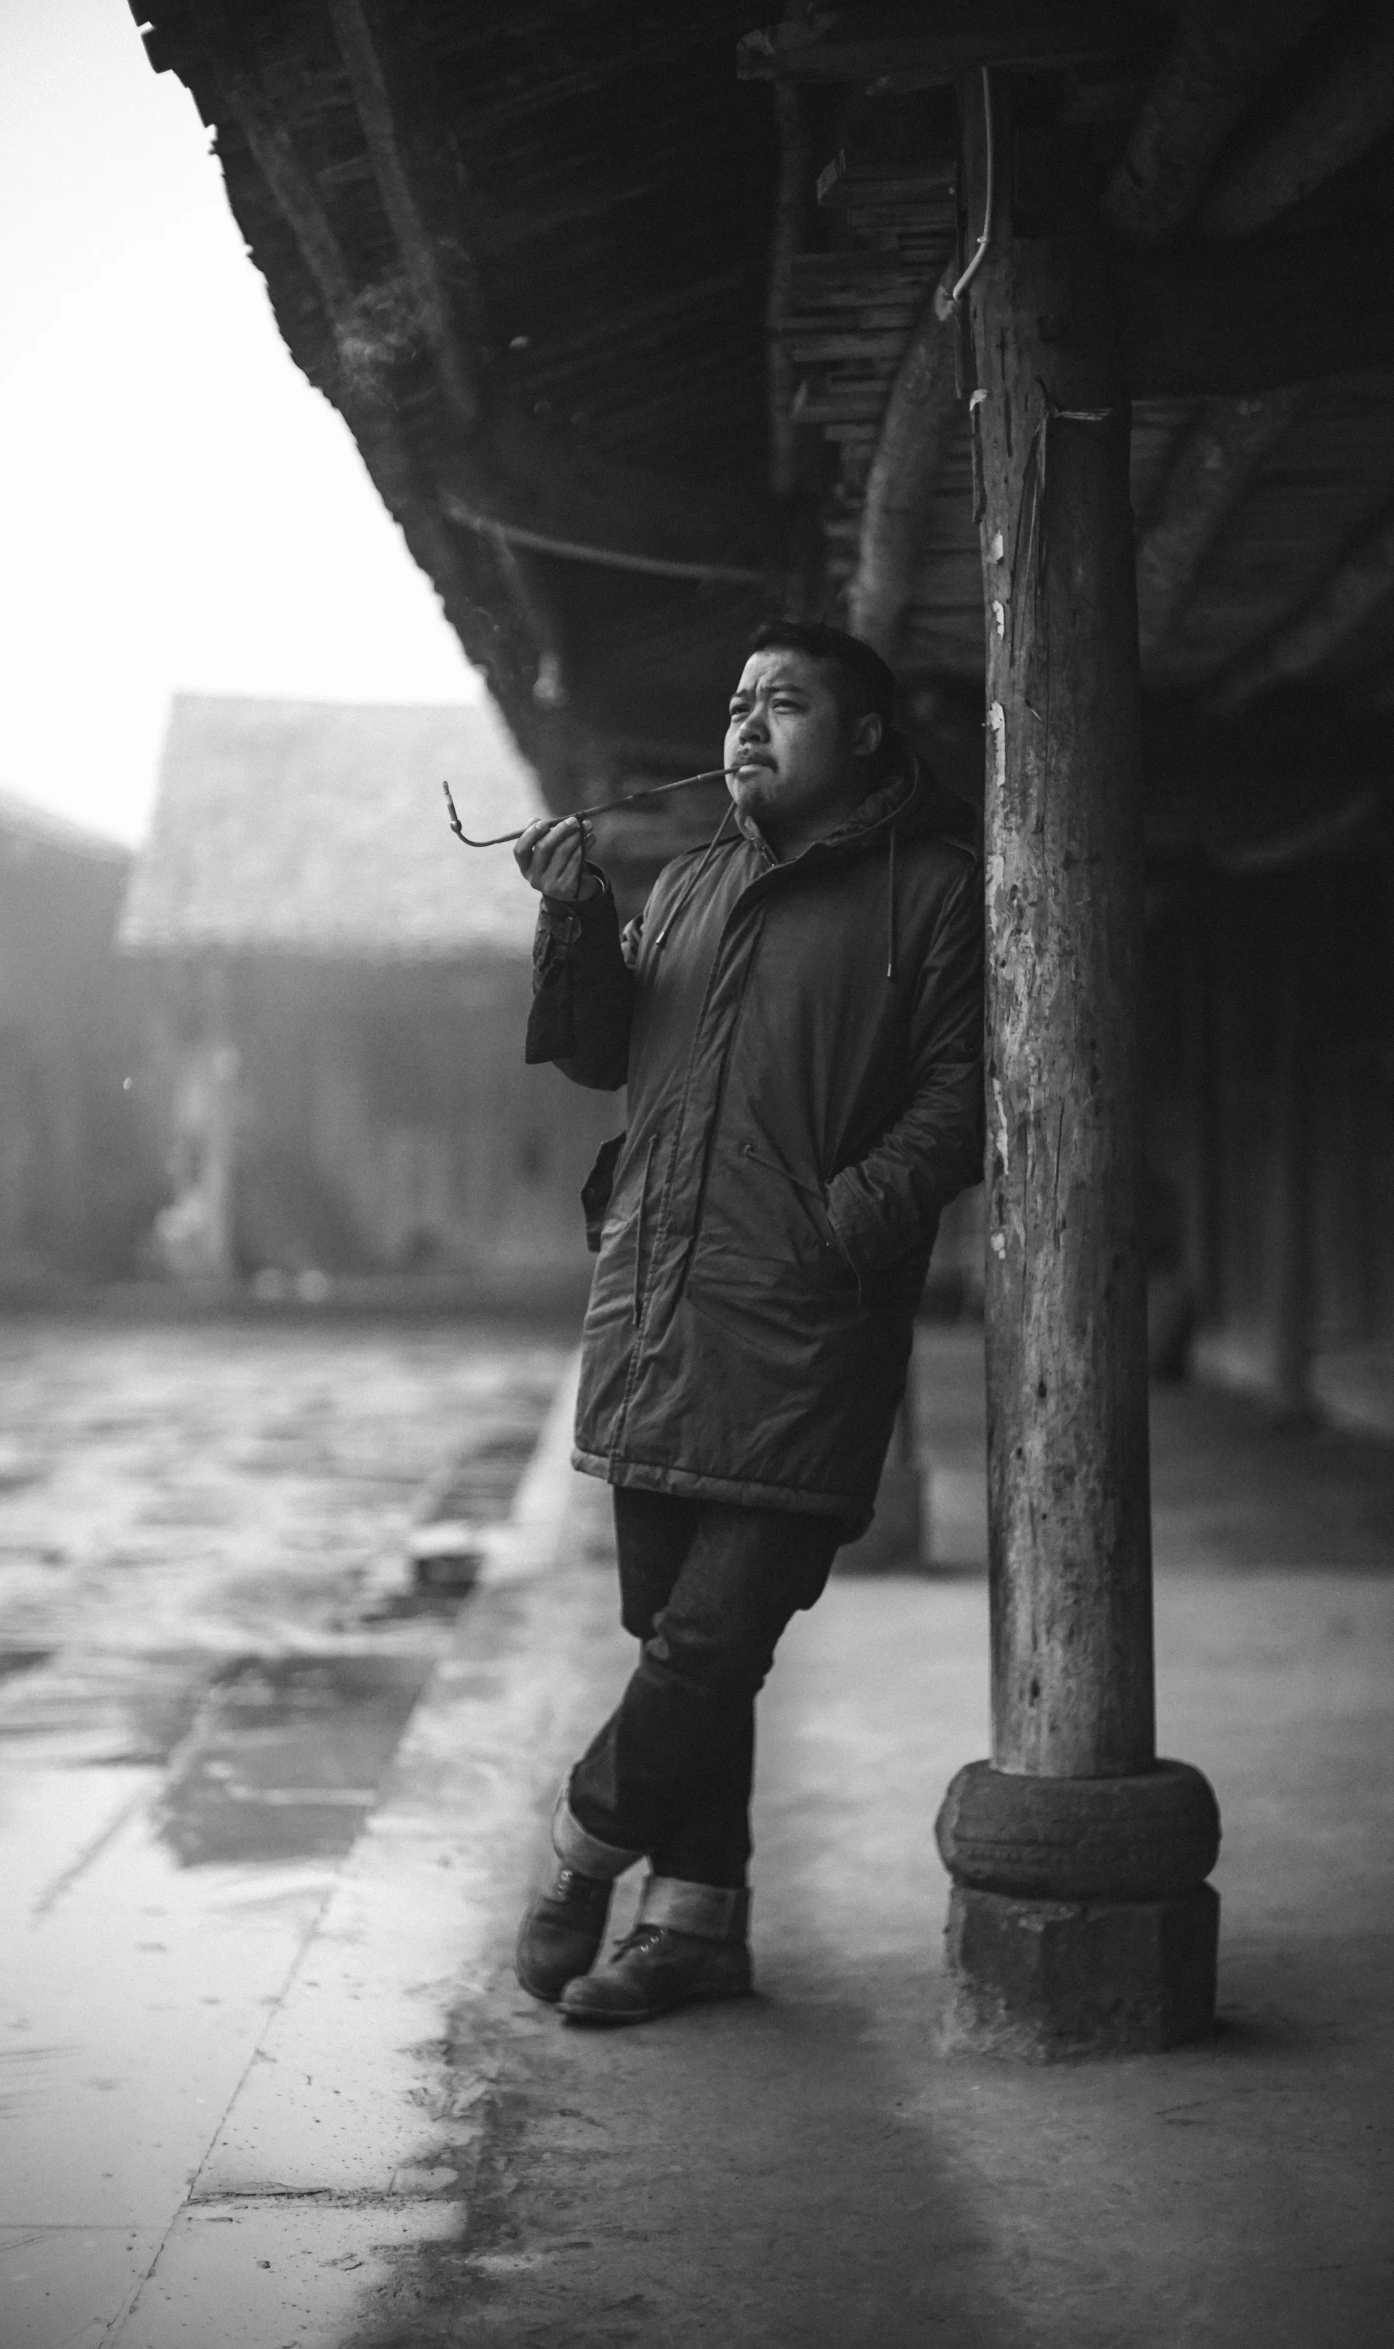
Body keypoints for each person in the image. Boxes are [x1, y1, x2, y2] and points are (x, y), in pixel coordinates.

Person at [510, 617, 983, 2026]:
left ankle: (581, 1848)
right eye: (736, 704)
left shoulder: (934, 893)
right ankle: (700, 1925)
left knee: (712, 1642)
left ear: (866, 737)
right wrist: (576, 916)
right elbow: (603, 1054)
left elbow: (963, 1098)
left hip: (805, 1328)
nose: (747, 725)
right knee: (670, 1632)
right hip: (657, 1304)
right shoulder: (689, 884)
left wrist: (842, 1223)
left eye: (783, 704)